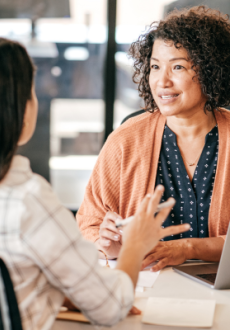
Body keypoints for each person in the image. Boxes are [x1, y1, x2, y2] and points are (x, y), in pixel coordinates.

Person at [0, 38, 189, 330]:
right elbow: (111, 308)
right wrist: (134, 246)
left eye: (177, 66)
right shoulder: (29, 200)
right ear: (20, 110)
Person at [77, 6, 230, 271]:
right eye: (155, 67)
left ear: (210, 70)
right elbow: (89, 225)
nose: (162, 81)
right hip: (146, 285)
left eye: (178, 67)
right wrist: (109, 246)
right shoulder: (125, 140)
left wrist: (188, 248)